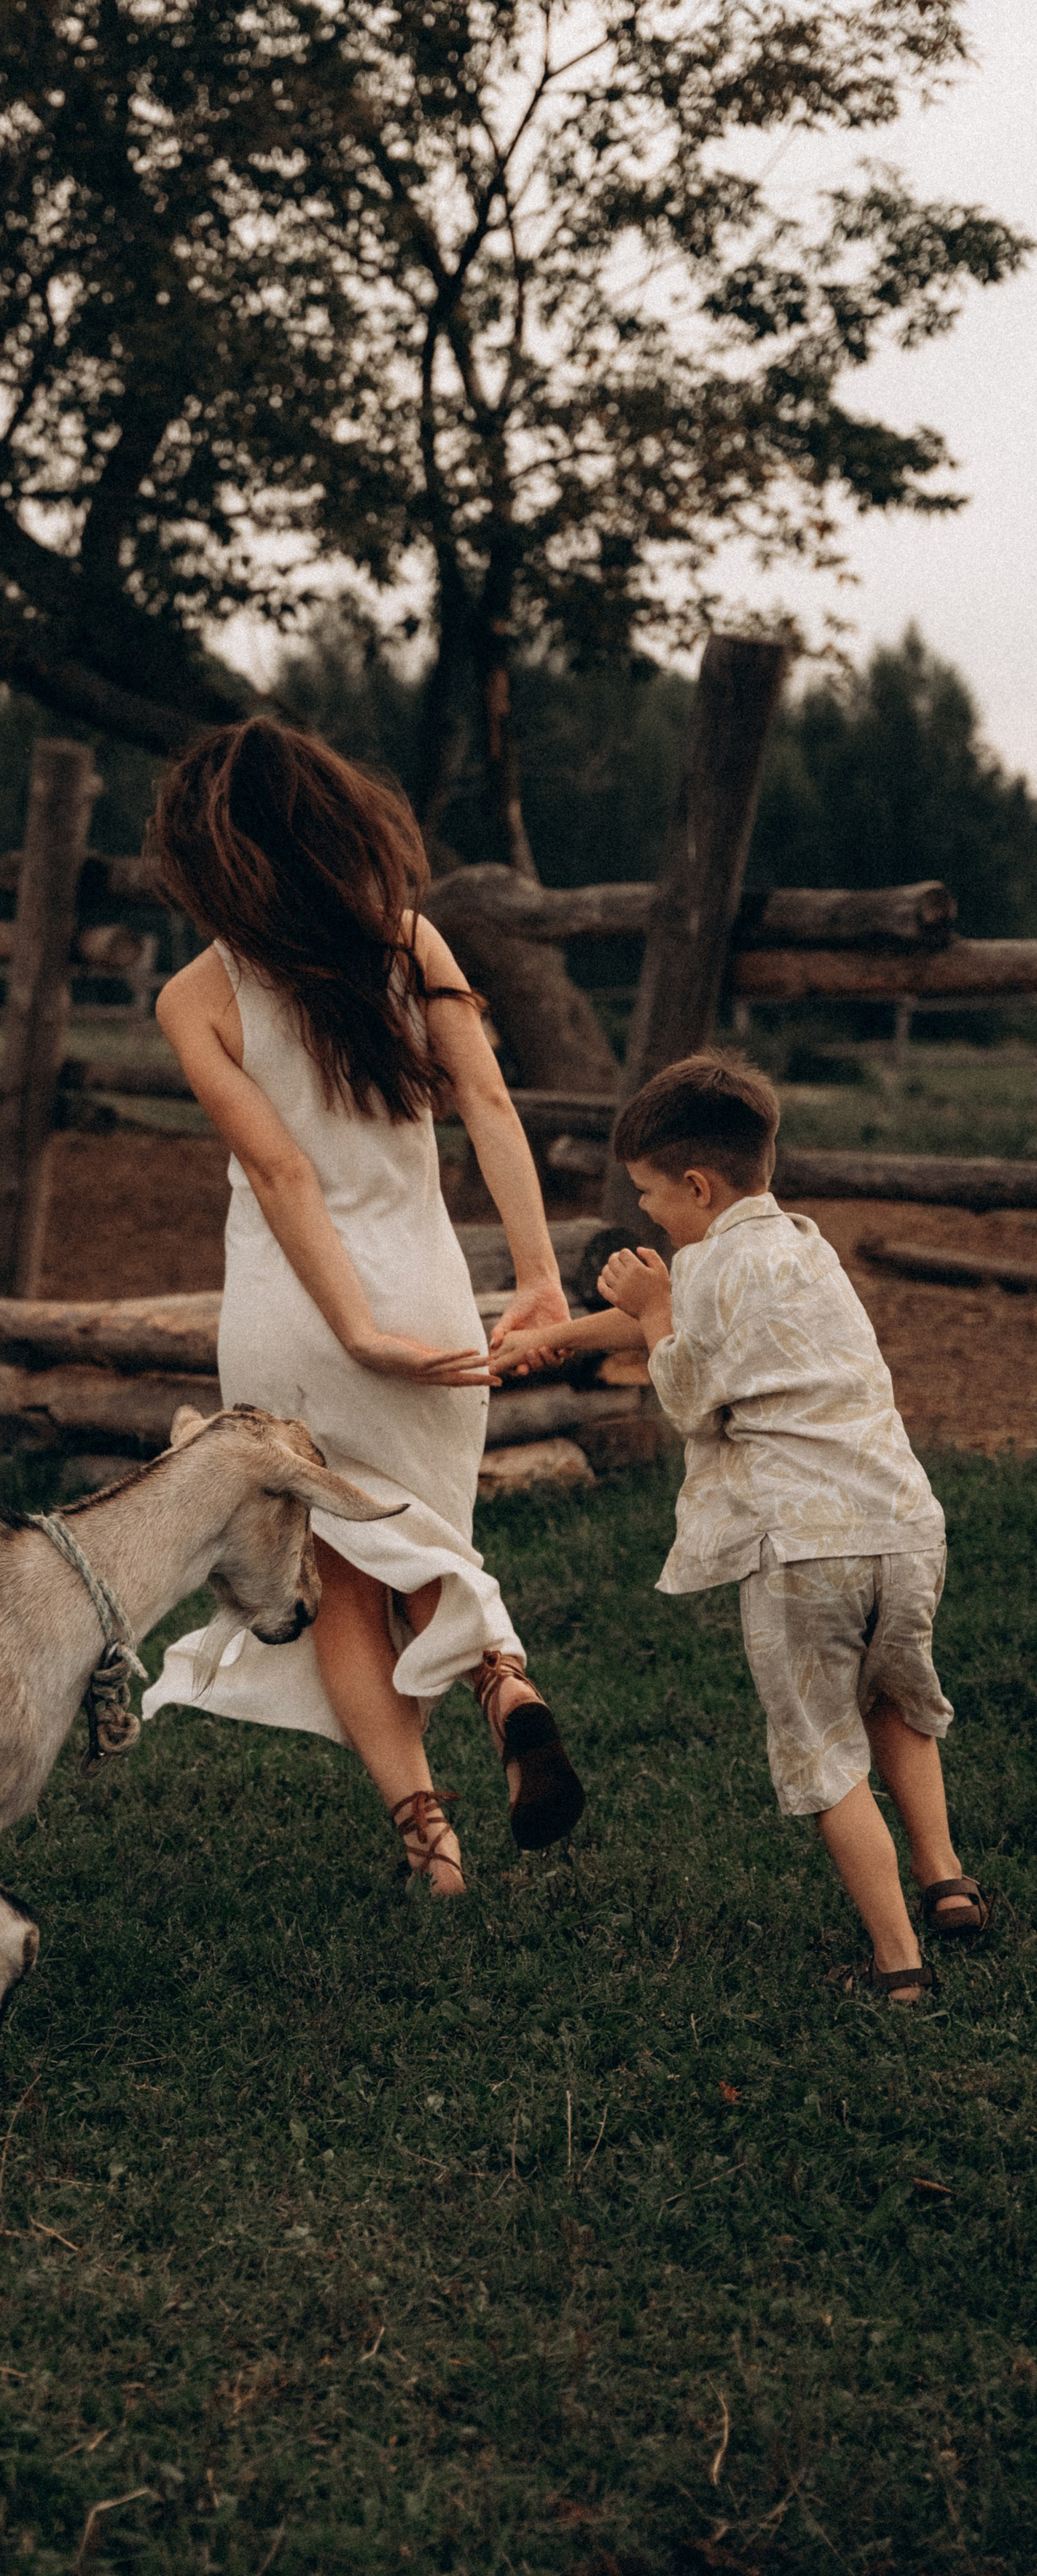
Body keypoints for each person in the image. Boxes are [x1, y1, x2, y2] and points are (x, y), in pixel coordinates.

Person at [138, 717, 586, 1893]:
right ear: (333, 821)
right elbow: (491, 1107)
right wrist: (539, 1275)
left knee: (339, 1573)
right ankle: (500, 1675)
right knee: (424, 1539)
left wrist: (346, 1332)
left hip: (297, 1316)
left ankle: (429, 1844)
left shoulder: (197, 998)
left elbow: (284, 1177)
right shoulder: (411, 944)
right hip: (429, 1290)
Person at [491, 1050, 990, 2000]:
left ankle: (899, 1965)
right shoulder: (802, 1241)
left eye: (650, 1196)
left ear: (696, 1183)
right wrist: (552, 1336)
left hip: (801, 1550)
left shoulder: (703, 1269)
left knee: (823, 1753)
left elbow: (681, 1385)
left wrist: (649, 1307)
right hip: (902, 1527)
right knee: (896, 1703)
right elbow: (675, 1318)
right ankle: (948, 1881)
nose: (647, 1215)